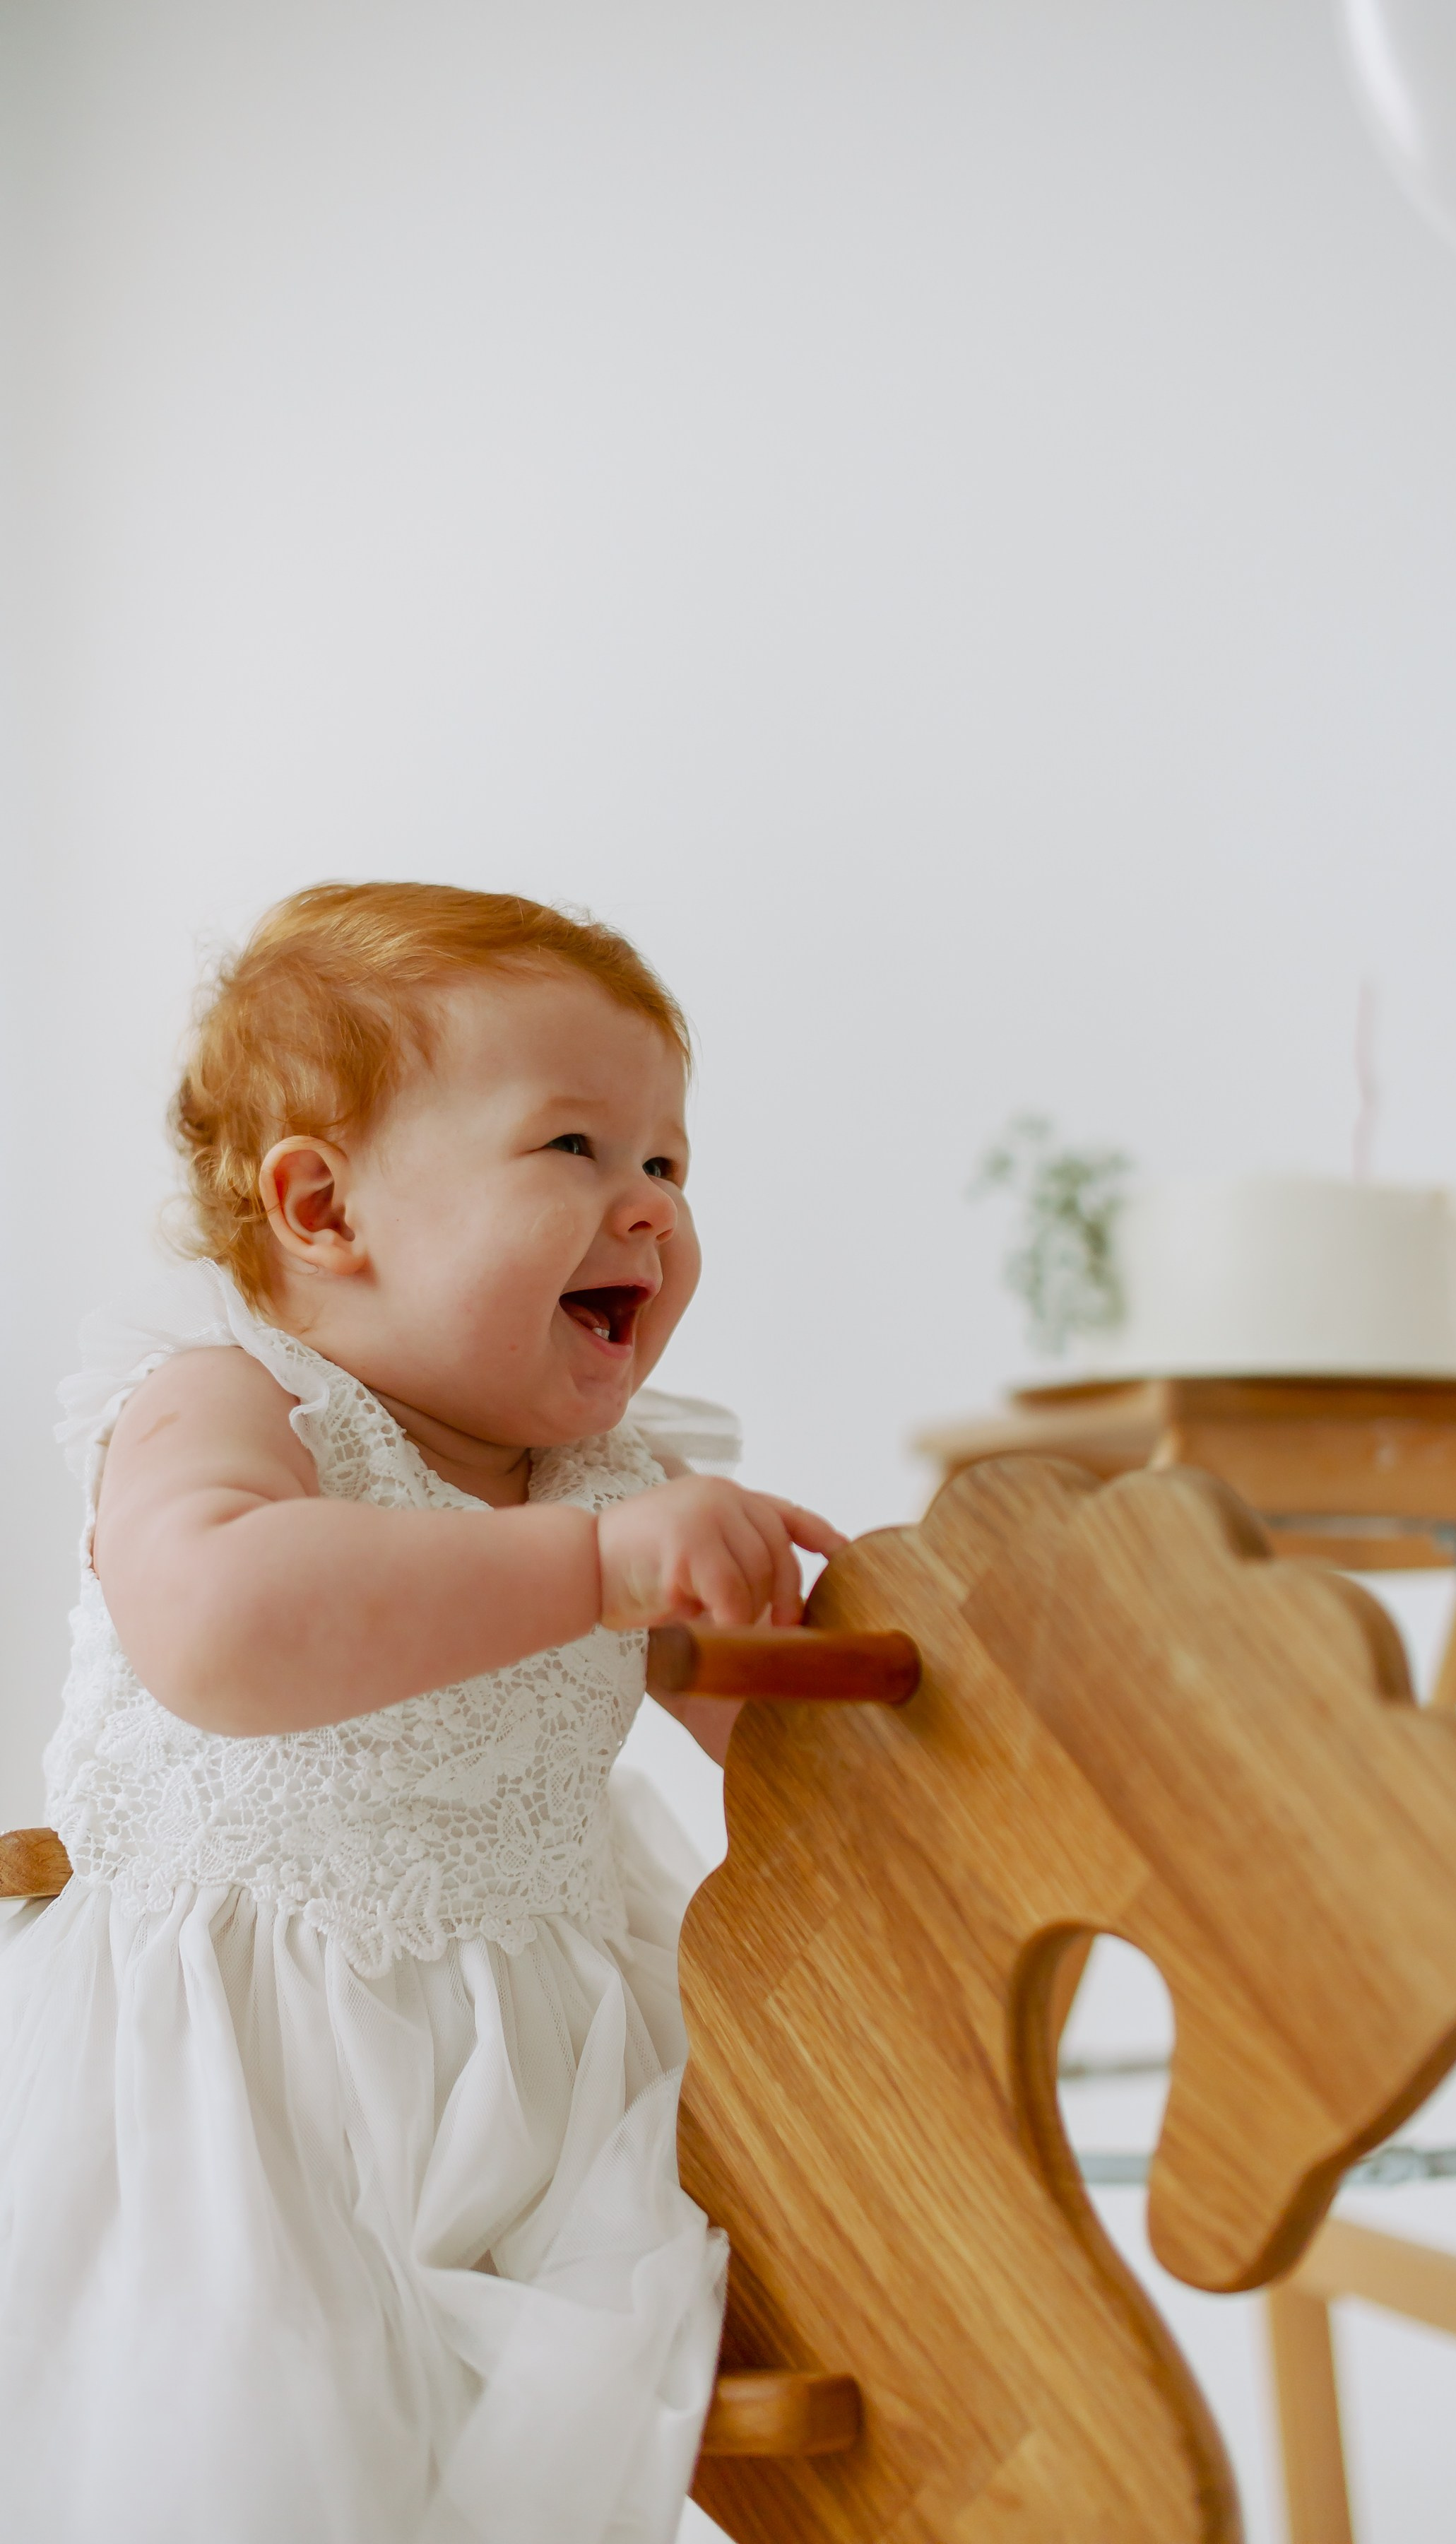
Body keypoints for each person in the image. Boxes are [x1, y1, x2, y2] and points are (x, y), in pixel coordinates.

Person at [0, 881, 842, 2544]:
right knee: (264, 2462)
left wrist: (813, 1665)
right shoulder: (234, 1407)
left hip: (554, 2075)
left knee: (535, 2474)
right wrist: (594, 1567)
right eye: (574, 1152)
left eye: (668, 1162)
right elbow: (226, 1628)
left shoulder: (617, 1481)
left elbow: (801, 1775)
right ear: (322, 1209)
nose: (651, 1210)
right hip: (248, 2093)